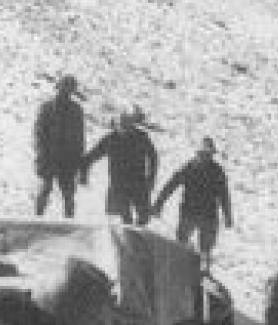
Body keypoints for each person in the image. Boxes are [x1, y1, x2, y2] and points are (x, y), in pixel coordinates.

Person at [152, 136, 233, 267]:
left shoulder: (218, 172)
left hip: (209, 216)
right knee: (181, 244)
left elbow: (224, 195)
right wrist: (158, 204)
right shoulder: (188, 168)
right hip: (189, 213)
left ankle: (204, 271)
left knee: (206, 249)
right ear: (198, 153)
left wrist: (227, 216)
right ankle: (180, 267)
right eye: (203, 154)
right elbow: (170, 186)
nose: (205, 157)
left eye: (208, 154)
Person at [81, 106, 158, 225]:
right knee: (124, 219)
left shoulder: (141, 138)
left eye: (128, 125)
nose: (125, 129)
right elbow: (90, 157)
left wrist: (151, 178)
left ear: (132, 125)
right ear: (117, 125)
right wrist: (84, 175)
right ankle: (126, 239)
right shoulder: (110, 139)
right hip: (119, 185)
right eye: (122, 125)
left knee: (144, 216)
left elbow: (153, 157)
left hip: (139, 183)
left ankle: (137, 240)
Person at [32, 74, 86, 217]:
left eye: (69, 89)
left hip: (68, 160)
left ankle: (69, 225)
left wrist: (80, 162)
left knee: (68, 195)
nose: (66, 92)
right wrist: (41, 155)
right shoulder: (47, 107)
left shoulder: (76, 110)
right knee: (45, 189)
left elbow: (80, 138)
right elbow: (39, 133)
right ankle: (37, 220)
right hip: (49, 157)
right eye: (64, 88)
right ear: (58, 88)